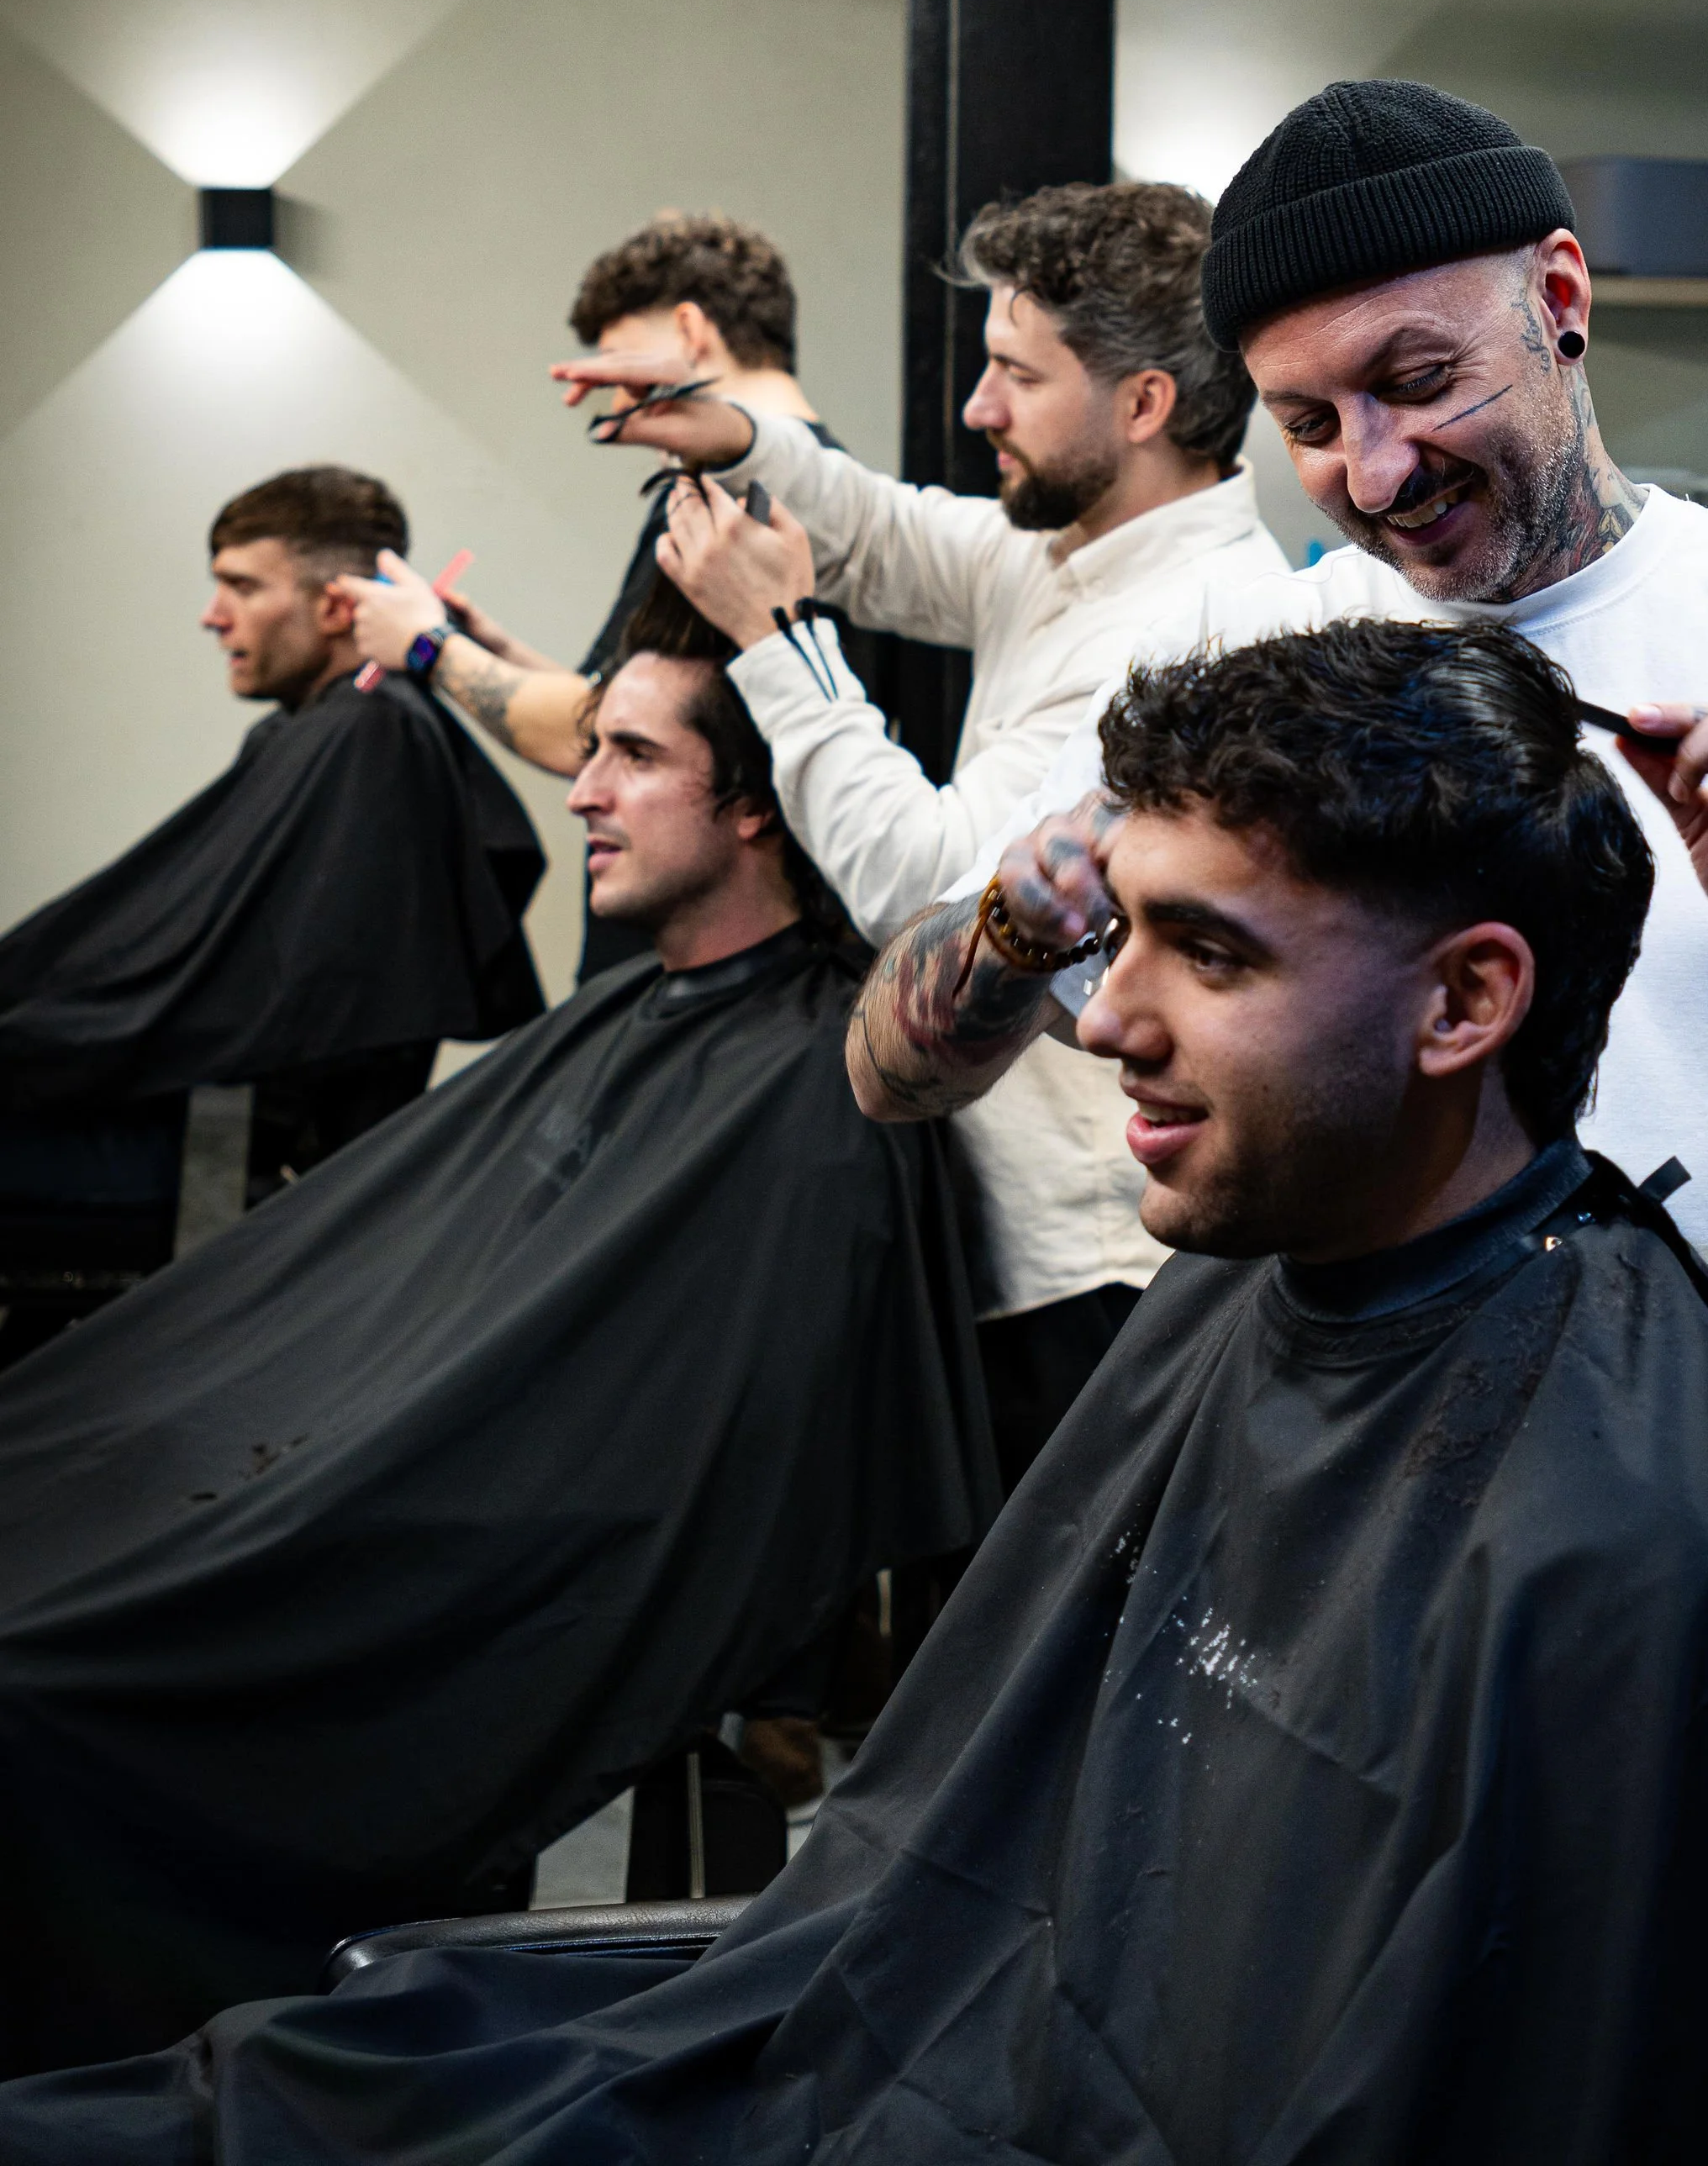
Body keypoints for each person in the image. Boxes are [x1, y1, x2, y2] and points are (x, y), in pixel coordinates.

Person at [12, 620, 1708, 2163]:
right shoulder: (1256, 1292)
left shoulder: (1657, 1570)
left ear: (1464, 999)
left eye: (1204, 954)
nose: (1109, 1017)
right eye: (1119, 932)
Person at [849, 81, 1708, 1459]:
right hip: (1315, 1486)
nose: (1377, 471)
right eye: (1310, 425)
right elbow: (890, 1074)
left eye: (1418, 383)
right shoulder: (1237, 654)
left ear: (1560, 300)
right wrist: (1024, 914)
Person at [0, 578, 994, 2081]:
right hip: (358, 1474)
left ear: (754, 807)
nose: (581, 792)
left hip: (457, 1558)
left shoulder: (806, 1095)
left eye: (632, 758)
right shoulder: (639, 1021)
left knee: (41, 1685)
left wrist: (322, 1496)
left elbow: (695, 1476)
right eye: (589, 751)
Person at [559, 180, 1286, 1484]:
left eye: (1017, 375)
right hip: (1003, 1206)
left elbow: (940, 898)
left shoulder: (1188, 623)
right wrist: (743, 434)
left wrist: (777, 641)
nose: (978, 409)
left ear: (1143, 404)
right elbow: (886, 533)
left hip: (1095, 1258)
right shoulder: (1076, 549)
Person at [0, 467, 545, 1325]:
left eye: (243, 587)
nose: (213, 616)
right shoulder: (322, 734)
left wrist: (38, 1031)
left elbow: (214, 994)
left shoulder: (368, 739)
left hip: (217, 1156)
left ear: (335, 607)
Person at [345, 208, 867, 981]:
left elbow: (587, 738)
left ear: (691, 332)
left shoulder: (730, 511)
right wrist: (494, 652)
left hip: (714, 963)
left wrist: (428, 647)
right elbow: (627, 711)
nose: (617, 402)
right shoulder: (830, 500)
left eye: (623, 369)